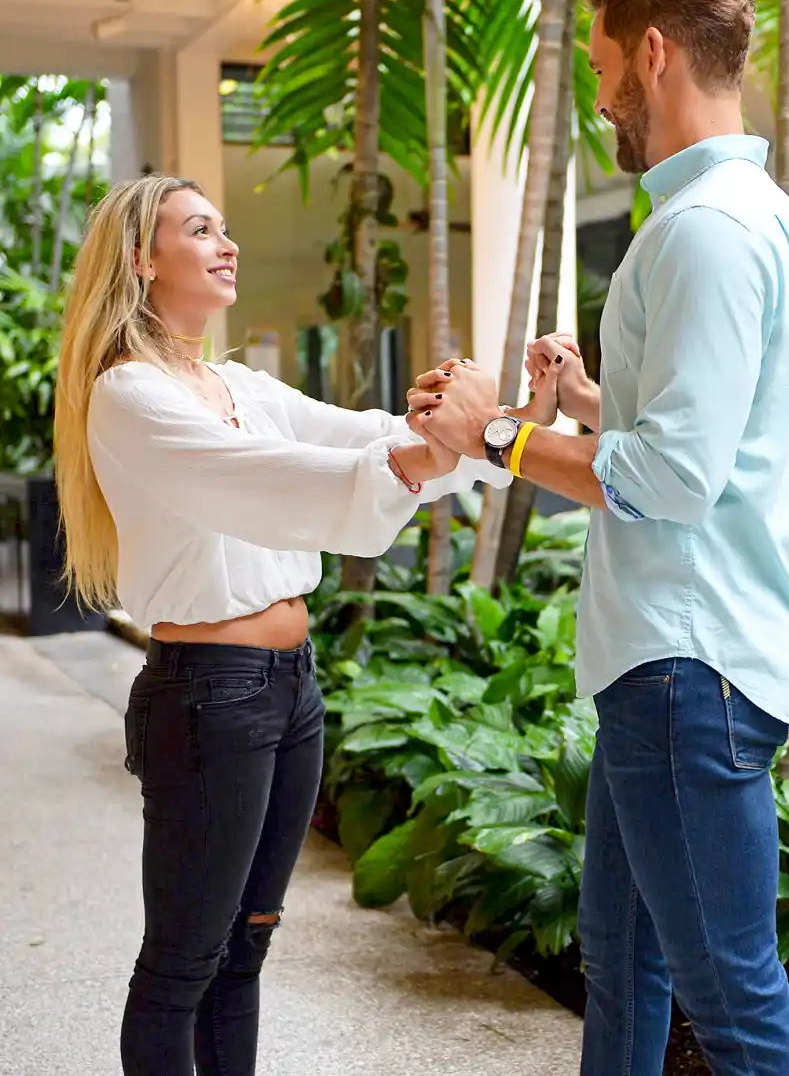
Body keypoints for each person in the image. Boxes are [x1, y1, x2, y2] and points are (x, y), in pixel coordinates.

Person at [405, 0, 789, 1076]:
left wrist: (494, 435)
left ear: (651, 55)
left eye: (599, 70)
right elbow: (720, 435)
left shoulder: (703, 231)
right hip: (677, 668)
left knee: (729, 998)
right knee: (625, 965)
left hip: (688, 669)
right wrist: (595, 401)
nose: (599, 99)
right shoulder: (747, 214)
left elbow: (671, 481)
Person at [52, 174, 556, 1076]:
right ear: (141, 259)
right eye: (200, 230)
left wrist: (487, 428)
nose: (227, 244)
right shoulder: (130, 394)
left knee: (245, 950)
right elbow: (267, 480)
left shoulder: (237, 384)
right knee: (183, 963)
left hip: (291, 691)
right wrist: (430, 448)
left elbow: (357, 437)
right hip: (210, 698)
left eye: (224, 228)